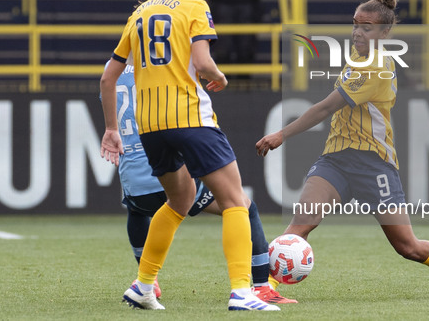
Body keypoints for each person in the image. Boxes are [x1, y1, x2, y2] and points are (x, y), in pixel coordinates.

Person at [256, 0, 429, 298]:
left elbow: (325, 107)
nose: (357, 32)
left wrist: (282, 134)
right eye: (355, 25)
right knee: (300, 226)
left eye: (367, 27)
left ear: (385, 32)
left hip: (373, 165)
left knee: (408, 247)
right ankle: (266, 290)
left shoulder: (377, 66)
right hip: (335, 161)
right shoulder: (357, 60)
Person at [100, 0, 279, 311]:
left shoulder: (139, 13)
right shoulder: (196, 7)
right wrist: (220, 76)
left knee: (178, 201)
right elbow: (203, 60)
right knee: (235, 203)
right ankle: (243, 292)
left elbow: (108, 77)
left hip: (150, 125)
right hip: (190, 118)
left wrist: (111, 129)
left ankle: (143, 285)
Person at [113, 63, 296, 304]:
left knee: (137, 209)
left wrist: (109, 129)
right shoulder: (165, 65)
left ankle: (146, 280)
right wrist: (217, 76)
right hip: (163, 163)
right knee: (242, 206)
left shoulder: (112, 70)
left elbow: (107, 85)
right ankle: (260, 287)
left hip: (131, 174)